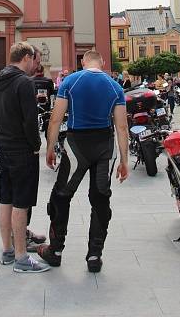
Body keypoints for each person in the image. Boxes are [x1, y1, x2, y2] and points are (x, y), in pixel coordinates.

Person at [37, 49, 129, 274]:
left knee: (61, 196)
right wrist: (124, 160)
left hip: (76, 145)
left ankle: (55, 251)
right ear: (103, 61)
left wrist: (49, 148)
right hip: (104, 146)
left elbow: (56, 118)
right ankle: (94, 255)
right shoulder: (115, 86)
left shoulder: (71, 81)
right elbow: (122, 126)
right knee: (100, 199)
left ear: (83, 62)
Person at [0, 41, 50, 274]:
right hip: (20, 148)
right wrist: (36, 146)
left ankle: (7, 251)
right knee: (21, 203)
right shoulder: (24, 82)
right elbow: (29, 120)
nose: (35, 65)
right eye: (33, 60)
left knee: (6, 199)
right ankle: (21, 258)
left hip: (2, 144)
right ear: (26, 57)